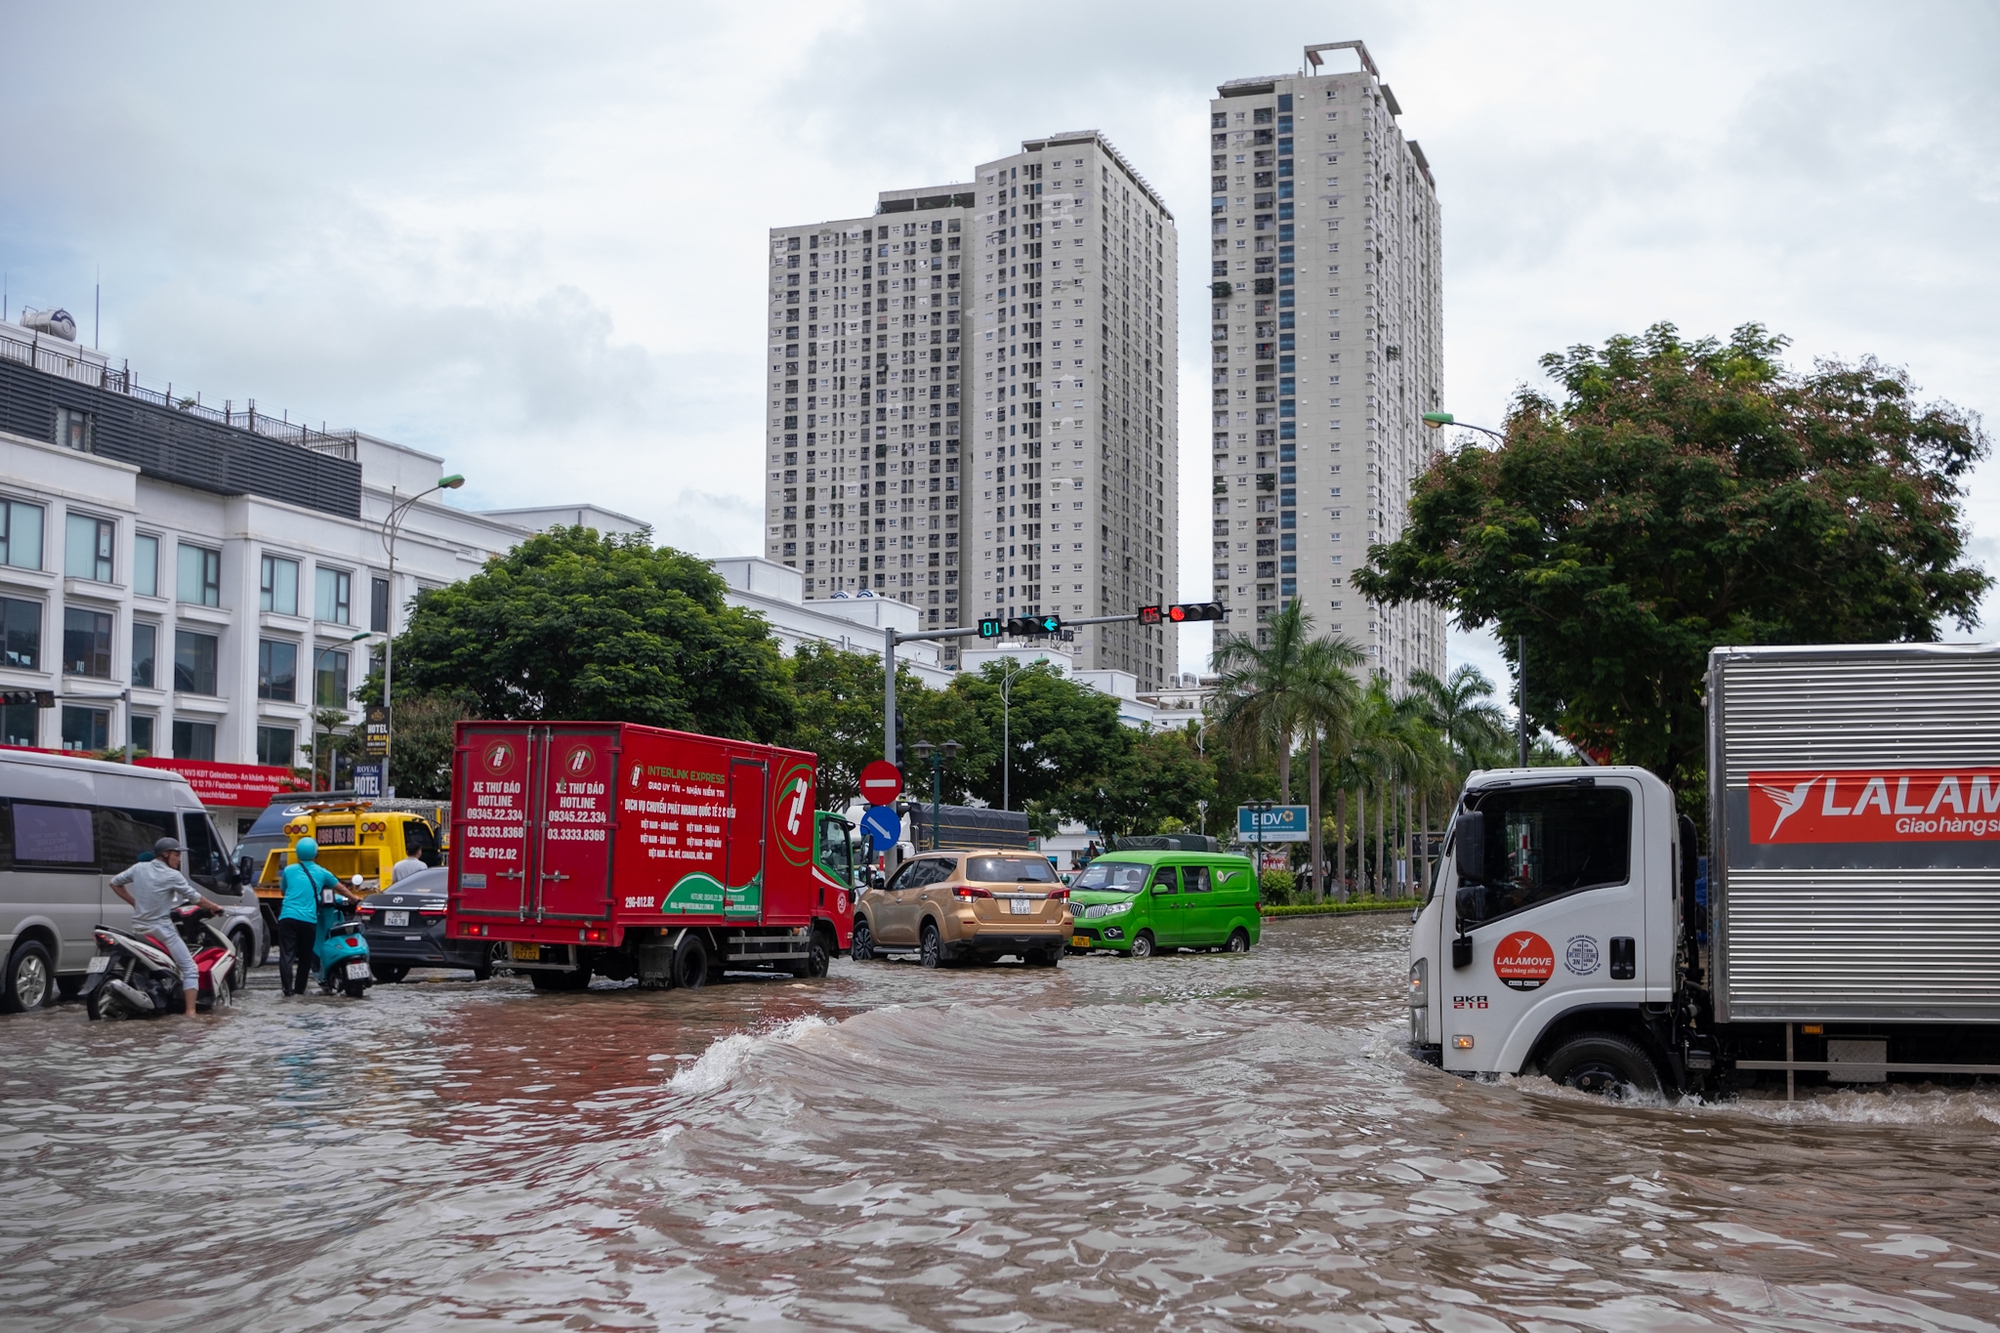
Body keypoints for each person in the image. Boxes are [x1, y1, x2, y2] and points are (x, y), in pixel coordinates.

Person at [110, 837, 228, 1017]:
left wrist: (134, 903)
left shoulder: (139, 868)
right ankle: (191, 1014)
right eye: (176, 854)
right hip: (161, 930)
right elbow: (195, 898)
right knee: (190, 969)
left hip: (139, 928)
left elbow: (115, 882)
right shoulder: (172, 875)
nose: (179, 858)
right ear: (165, 854)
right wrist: (215, 907)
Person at [277, 838, 339, 996]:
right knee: (305, 958)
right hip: (308, 920)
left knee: (286, 955)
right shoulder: (322, 872)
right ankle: (299, 991)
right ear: (315, 853)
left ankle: (287, 991)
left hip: (287, 917)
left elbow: (283, 891)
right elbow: (341, 888)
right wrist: (354, 899)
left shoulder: (288, 870)